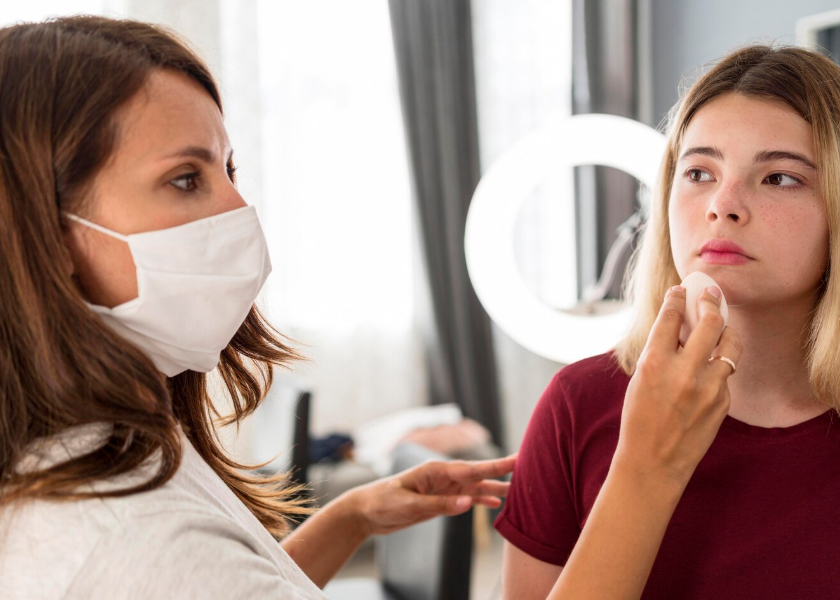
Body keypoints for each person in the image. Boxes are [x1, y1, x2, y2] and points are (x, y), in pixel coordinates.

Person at [0, 16, 514, 600]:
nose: (238, 208)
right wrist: (613, 502)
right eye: (185, 178)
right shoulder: (138, 537)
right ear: (47, 232)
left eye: (229, 169)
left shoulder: (93, 460)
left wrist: (352, 518)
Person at [497, 44, 840, 599]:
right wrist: (646, 468)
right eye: (699, 171)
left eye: (779, 178)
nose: (723, 204)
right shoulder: (576, 408)